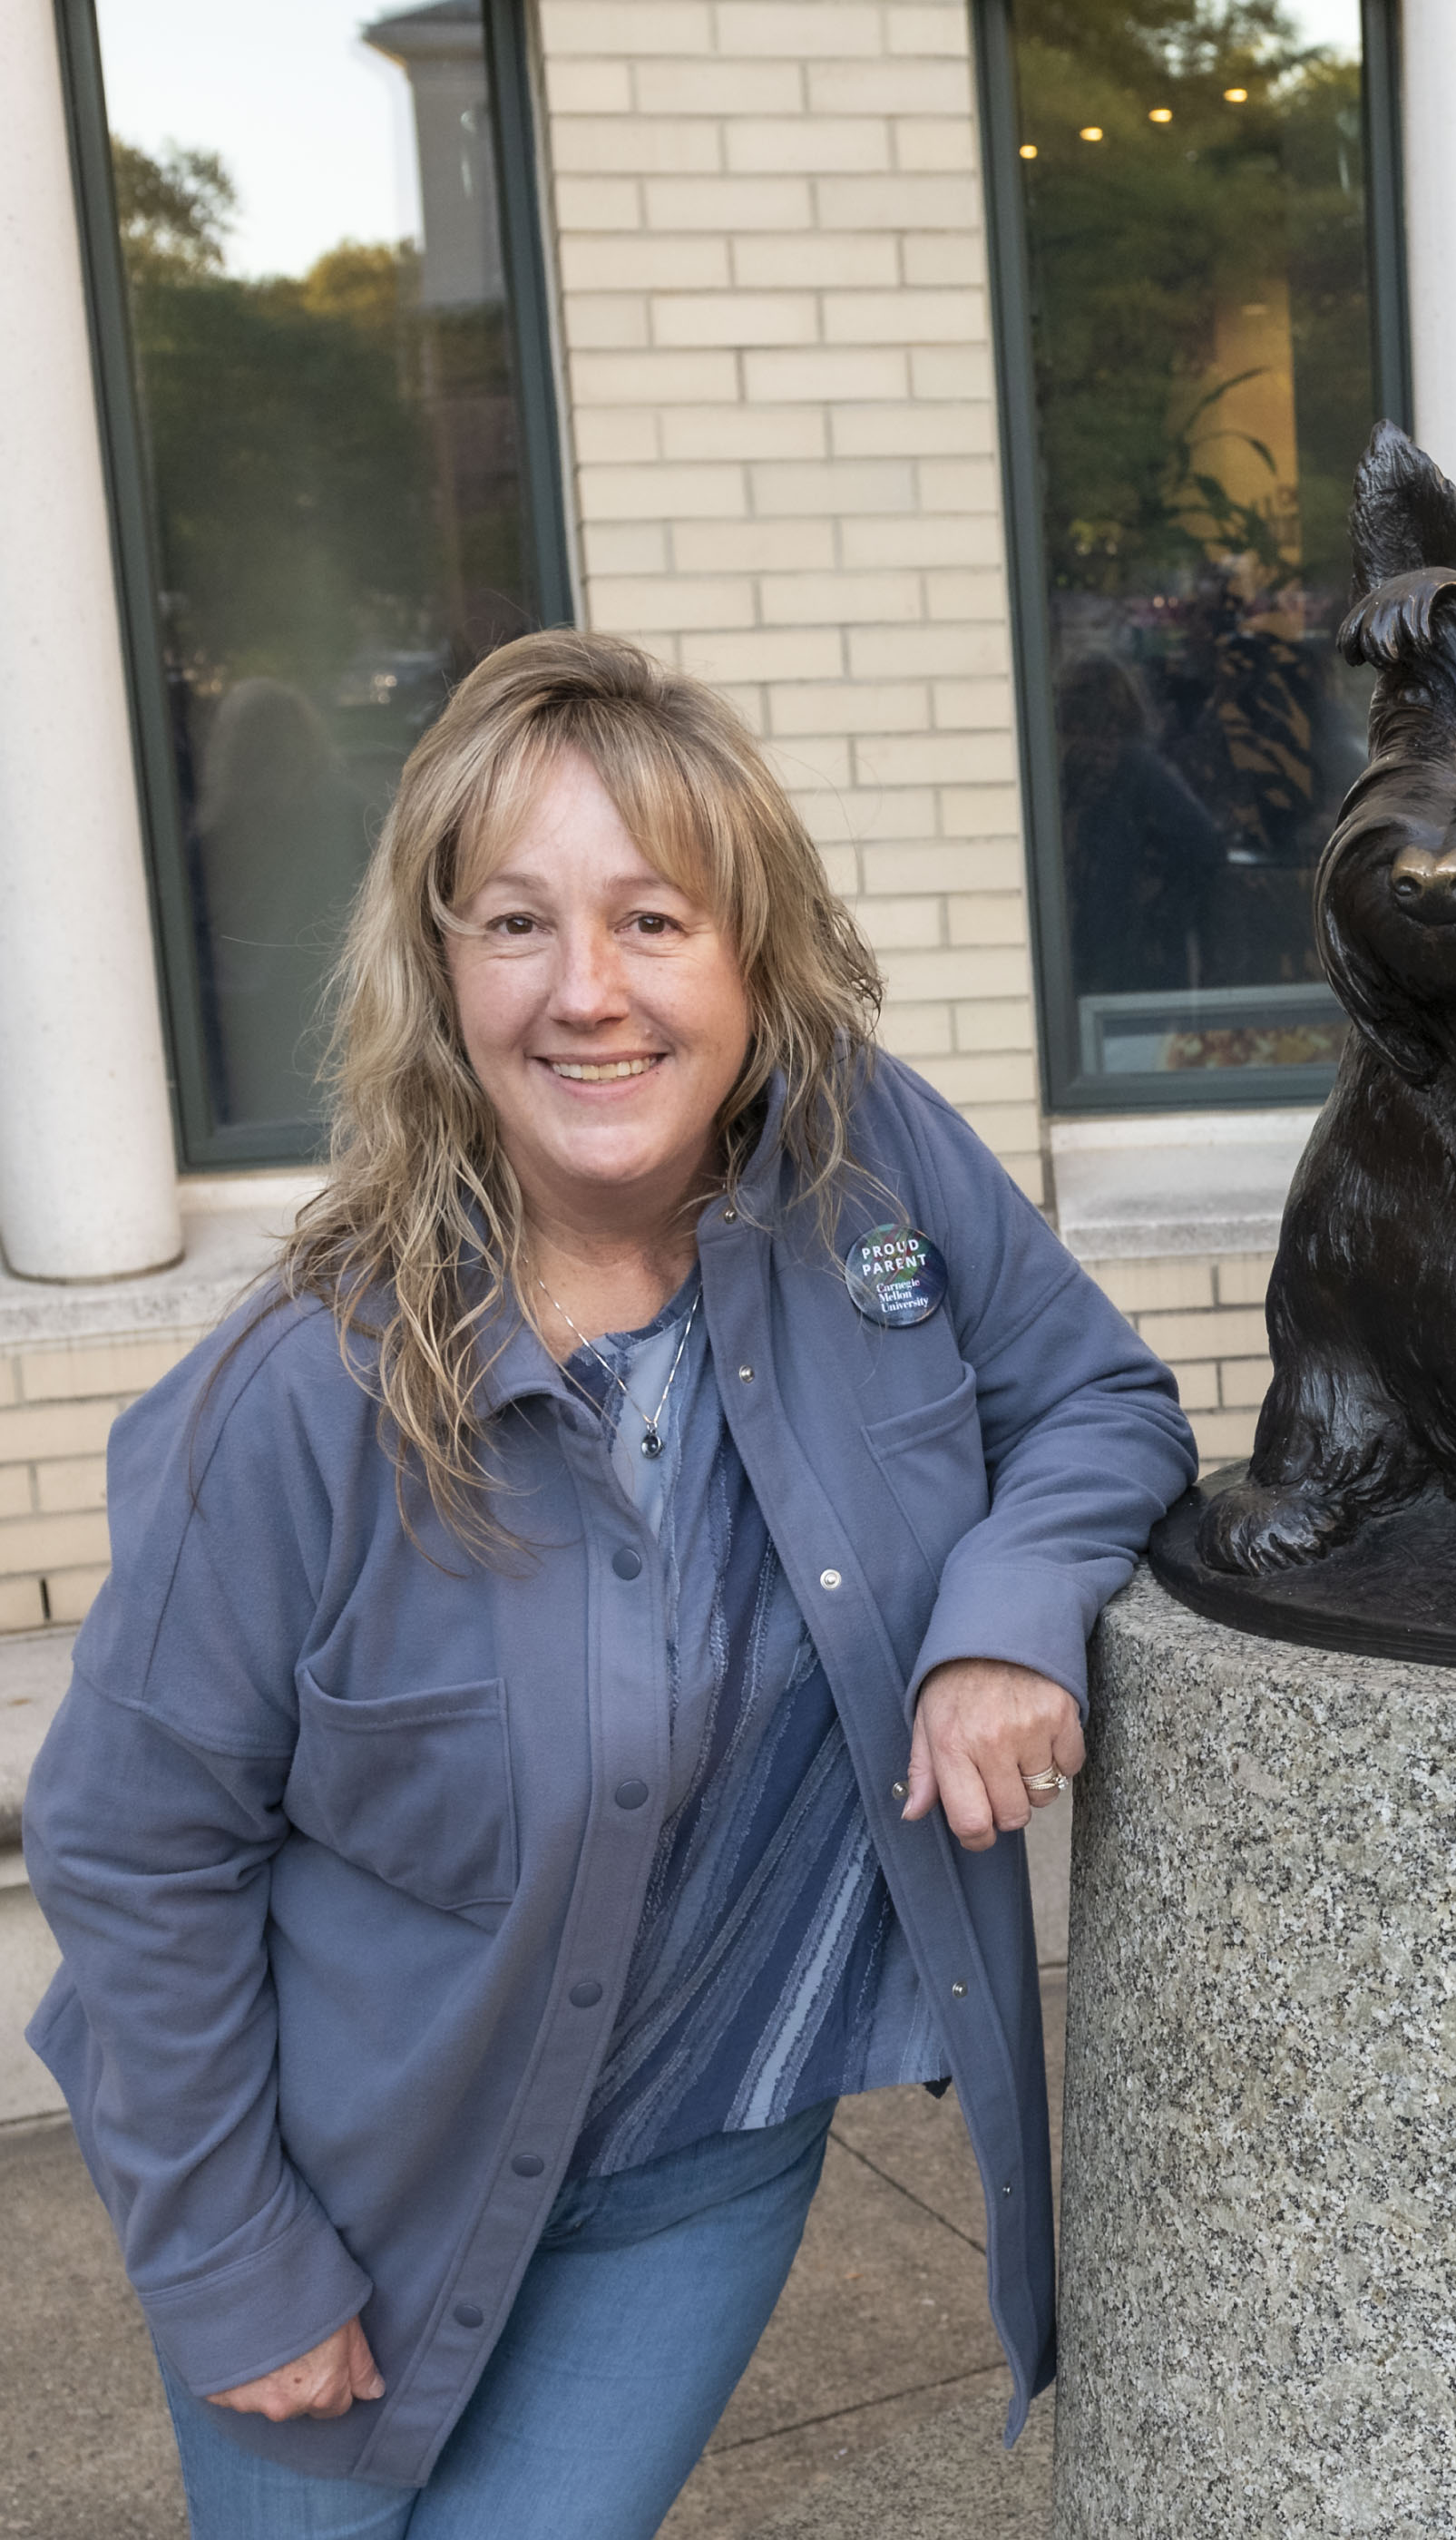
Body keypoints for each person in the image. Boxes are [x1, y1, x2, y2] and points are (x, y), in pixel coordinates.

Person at [23, 631, 1197, 2534]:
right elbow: (131, 1847)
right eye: (517, 924)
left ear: (753, 959)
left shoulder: (867, 1167)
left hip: (697, 2169)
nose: (590, 993)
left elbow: (1096, 1398)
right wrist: (239, 2255)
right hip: (348, 2171)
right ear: (440, 972)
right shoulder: (295, 1396)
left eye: (655, 919)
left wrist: (1006, 1614)